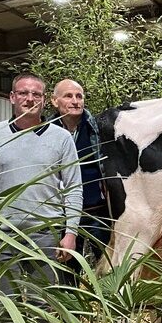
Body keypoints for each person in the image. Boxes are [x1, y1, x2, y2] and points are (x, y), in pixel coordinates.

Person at [0, 72, 82, 284]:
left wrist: (71, 233)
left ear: (44, 100)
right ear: (12, 97)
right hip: (4, 235)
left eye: (36, 94)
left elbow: (74, 187)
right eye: (23, 93)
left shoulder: (61, 138)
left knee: (44, 305)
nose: (30, 99)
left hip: (46, 234)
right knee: (5, 306)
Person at [50, 79, 110, 266]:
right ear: (54, 101)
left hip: (96, 213)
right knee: (67, 269)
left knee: (108, 267)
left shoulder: (99, 129)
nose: (75, 101)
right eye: (68, 96)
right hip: (61, 216)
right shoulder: (46, 131)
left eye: (79, 96)